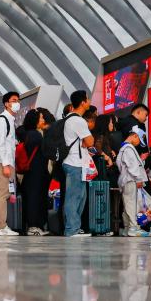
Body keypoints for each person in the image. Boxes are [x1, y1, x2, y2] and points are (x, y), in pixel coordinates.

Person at [62, 90, 95, 238]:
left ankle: (74, 227)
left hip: (75, 163)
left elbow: (86, 142)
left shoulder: (70, 118)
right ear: (83, 102)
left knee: (80, 197)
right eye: (87, 99)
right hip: (74, 163)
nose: (89, 101)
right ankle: (71, 229)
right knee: (74, 197)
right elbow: (90, 141)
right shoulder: (78, 120)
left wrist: (85, 141)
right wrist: (86, 141)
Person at [0, 92, 20, 236]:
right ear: (6, 104)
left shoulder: (9, 120)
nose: (17, 103)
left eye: (18, 100)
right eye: (14, 100)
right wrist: (6, 165)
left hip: (1, 162)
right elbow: (0, 143)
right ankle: (2, 227)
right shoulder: (3, 120)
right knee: (2, 194)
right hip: (2, 162)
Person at [21, 109, 52, 236]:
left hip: (32, 172)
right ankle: (33, 226)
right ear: (35, 121)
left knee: (32, 198)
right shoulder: (36, 135)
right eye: (41, 118)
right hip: (37, 171)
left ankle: (34, 225)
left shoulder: (28, 133)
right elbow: (45, 152)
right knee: (34, 198)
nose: (43, 120)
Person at [116, 129, 150, 237]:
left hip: (126, 180)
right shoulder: (128, 149)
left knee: (127, 204)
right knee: (131, 204)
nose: (139, 143)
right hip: (130, 179)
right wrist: (138, 179)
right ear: (135, 136)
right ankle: (133, 228)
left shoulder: (124, 148)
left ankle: (127, 228)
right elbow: (133, 167)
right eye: (139, 140)